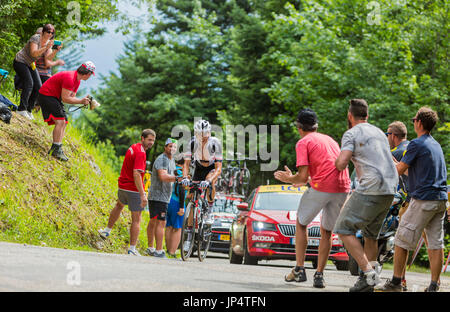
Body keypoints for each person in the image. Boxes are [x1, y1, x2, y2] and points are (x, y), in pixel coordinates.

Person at [274, 108, 351, 289]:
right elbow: (319, 174)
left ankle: (300, 269)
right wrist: (297, 179)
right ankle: (319, 275)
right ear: (316, 125)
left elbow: (301, 178)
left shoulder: (304, 142)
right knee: (327, 231)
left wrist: (288, 178)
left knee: (301, 223)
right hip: (342, 187)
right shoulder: (329, 140)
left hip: (322, 187)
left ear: (299, 126)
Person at [376, 107, 448, 292]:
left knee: (401, 240)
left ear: (419, 123)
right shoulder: (435, 145)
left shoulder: (416, 144)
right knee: (435, 243)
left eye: (414, 119)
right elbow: (412, 170)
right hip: (440, 200)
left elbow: (399, 170)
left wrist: (386, 161)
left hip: (423, 200)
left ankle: (396, 282)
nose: (413, 122)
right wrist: (395, 163)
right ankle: (434, 285)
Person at [334, 99, 398, 292]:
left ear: (349, 116)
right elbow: (391, 159)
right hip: (390, 188)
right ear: (367, 116)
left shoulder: (351, 133)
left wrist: (337, 161)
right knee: (371, 235)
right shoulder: (379, 132)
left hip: (371, 187)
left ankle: (368, 274)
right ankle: (368, 280)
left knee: (343, 228)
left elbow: (342, 163)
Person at [98, 129, 156, 255]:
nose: (151, 142)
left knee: (118, 206)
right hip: (133, 189)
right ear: (142, 138)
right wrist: (142, 194)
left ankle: (107, 230)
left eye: (153, 140)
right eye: (149, 139)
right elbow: (136, 174)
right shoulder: (141, 153)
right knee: (136, 219)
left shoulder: (133, 147)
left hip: (123, 186)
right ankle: (132, 249)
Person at [37, 61, 95, 161]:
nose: (90, 77)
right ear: (88, 74)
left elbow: (72, 97)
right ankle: (55, 149)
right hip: (46, 95)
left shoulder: (77, 79)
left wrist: (83, 100)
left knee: (64, 121)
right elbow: (65, 99)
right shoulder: (70, 78)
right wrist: (81, 101)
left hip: (53, 96)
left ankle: (57, 147)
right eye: (91, 75)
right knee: (60, 121)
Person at [181, 119, 223, 225]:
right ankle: (189, 233)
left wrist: (209, 180)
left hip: (212, 167)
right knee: (191, 197)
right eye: (199, 134)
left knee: (210, 182)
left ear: (208, 133)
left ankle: (209, 209)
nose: (202, 137)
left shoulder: (215, 143)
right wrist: (185, 177)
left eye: (204, 134)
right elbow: (186, 164)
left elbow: (218, 169)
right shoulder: (192, 142)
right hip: (199, 167)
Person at [13, 24, 55, 120]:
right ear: (43, 31)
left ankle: (28, 110)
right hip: (20, 61)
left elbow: (48, 60)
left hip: (30, 64)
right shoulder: (35, 38)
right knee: (29, 83)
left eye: (52, 33)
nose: (50, 34)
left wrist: (55, 50)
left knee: (39, 87)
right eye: (48, 32)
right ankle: (21, 109)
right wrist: (45, 47)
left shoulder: (49, 43)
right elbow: (33, 53)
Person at [146, 138, 178, 258]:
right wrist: (177, 179)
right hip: (158, 196)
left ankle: (150, 247)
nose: (172, 149)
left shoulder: (171, 160)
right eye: (170, 146)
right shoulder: (162, 159)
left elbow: (174, 174)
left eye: (174, 147)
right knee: (161, 223)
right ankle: (159, 251)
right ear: (165, 147)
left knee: (154, 221)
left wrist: (182, 177)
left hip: (163, 197)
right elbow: (163, 176)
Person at [164, 157, 186, 258]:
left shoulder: (171, 170)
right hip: (177, 202)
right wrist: (182, 207)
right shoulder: (181, 173)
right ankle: (172, 252)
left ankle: (168, 250)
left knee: (168, 226)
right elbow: (181, 189)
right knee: (177, 228)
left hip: (167, 200)